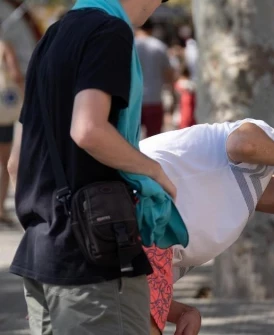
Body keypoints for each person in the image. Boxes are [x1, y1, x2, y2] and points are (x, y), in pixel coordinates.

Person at [7, 1, 177, 334]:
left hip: (40, 253)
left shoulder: (53, 35)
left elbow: (16, 162)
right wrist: (153, 171)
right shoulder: (109, 31)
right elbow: (88, 129)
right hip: (93, 256)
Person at [138, 119, 274, 334]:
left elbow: (149, 287)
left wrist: (184, 312)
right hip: (131, 194)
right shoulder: (261, 150)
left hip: (135, 243)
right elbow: (241, 144)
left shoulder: (227, 233)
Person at [135, 18, 175, 137]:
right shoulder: (160, 47)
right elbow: (169, 74)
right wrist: (172, 96)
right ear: (152, 29)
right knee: (154, 138)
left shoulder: (130, 45)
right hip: (154, 99)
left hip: (133, 101)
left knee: (130, 140)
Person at [0, 37, 23, 224]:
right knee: (3, 162)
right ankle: (0, 209)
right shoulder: (4, 46)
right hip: (2, 113)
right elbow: (15, 74)